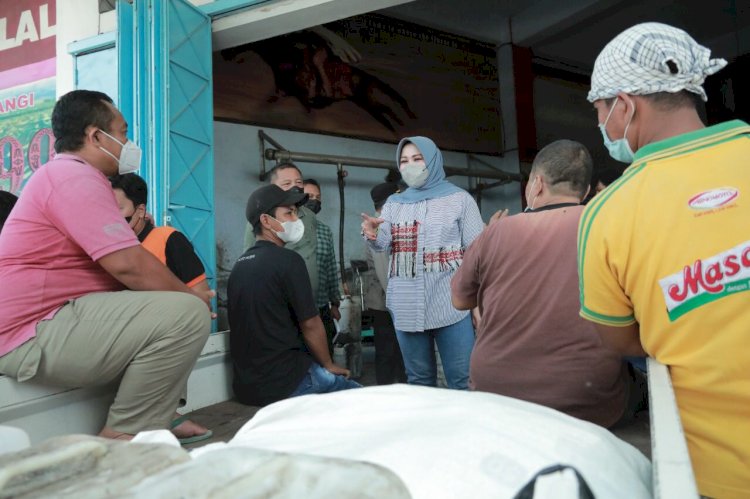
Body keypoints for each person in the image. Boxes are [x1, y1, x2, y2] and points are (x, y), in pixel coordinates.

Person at [580, 23, 749, 498]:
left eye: (600, 110)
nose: (602, 125)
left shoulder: (609, 213)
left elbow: (620, 338)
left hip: (717, 478)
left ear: (626, 105)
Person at [0, 90, 212, 441]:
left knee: (166, 305)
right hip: (30, 331)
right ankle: (122, 439)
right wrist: (193, 298)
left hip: (51, 321)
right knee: (185, 312)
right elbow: (129, 264)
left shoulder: (73, 178)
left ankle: (164, 415)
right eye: (124, 132)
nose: (128, 142)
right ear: (96, 136)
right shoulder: (71, 177)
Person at [451, 140, 631, 428]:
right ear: (585, 191)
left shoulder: (496, 232)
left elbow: (460, 300)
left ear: (536, 185)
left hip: (498, 392)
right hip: (586, 397)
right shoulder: (608, 228)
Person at [361, 136, 483, 389]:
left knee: (462, 378)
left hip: (451, 306)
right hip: (406, 307)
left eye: (418, 159)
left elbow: (477, 252)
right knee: (418, 381)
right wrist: (372, 234)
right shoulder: (395, 204)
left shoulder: (460, 200)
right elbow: (382, 243)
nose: (410, 166)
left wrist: (478, 302)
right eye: (404, 161)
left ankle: (465, 428)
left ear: (433, 160)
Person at [229, 184, 360, 406]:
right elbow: (310, 323)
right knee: (364, 398)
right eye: (288, 213)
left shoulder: (238, 267)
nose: (296, 219)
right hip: (289, 383)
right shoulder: (289, 261)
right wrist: (328, 365)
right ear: (267, 221)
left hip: (248, 388)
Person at [110, 173, 209, 292]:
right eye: (107, 208)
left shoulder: (169, 239)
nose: (111, 216)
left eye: (118, 208)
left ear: (140, 211)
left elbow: (200, 292)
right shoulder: (107, 249)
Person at [243, 163, 318, 302]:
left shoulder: (310, 217)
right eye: (287, 183)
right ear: (272, 188)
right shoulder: (261, 219)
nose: (295, 187)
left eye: (299, 182)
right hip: (279, 299)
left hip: (310, 300)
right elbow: (249, 258)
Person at [363, 181, 407, 384]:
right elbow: (384, 274)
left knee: (391, 354)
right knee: (391, 356)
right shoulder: (381, 227)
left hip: (385, 303)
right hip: (388, 305)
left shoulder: (381, 224)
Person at [302, 178, 341, 354]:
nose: (314, 200)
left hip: (321, 308)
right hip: (296, 310)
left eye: (318, 197)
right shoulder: (288, 228)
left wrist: (335, 303)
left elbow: (331, 267)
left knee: (326, 355)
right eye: (309, 195)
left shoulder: (325, 230)